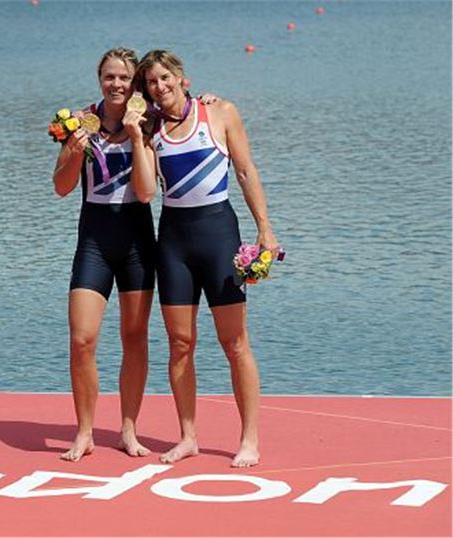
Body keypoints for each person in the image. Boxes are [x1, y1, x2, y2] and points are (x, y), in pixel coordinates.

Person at [134, 49, 279, 468]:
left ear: (183, 78)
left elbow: (246, 171)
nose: (159, 88)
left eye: (165, 79)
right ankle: (188, 436)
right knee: (180, 344)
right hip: (174, 242)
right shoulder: (148, 129)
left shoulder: (220, 113)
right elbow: (144, 189)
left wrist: (265, 230)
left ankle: (249, 438)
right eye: (151, 83)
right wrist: (135, 128)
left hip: (219, 236)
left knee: (234, 343)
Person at [52, 48, 158, 462]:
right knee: (82, 340)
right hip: (94, 241)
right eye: (109, 77)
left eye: (124, 78)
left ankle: (128, 430)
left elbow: (148, 192)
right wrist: (75, 150)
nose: (116, 84)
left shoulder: (147, 121)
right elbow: (61, 187)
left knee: (134, 339)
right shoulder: (81, 122)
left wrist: (136, 136)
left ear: (134, 83)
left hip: (136, 241)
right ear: (100, 80)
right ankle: (84, 432)